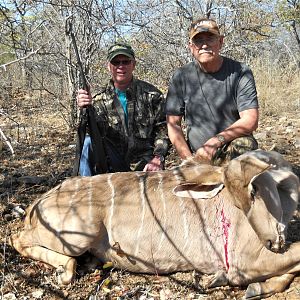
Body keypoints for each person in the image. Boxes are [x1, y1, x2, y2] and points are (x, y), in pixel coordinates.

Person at [165, 18, 259, 165]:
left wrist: (215, 142)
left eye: (210, 39)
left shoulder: (241, 71)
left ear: (220, 42)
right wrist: (189, 160)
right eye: (198, 40)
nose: (204, 45)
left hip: (231, 149)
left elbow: (250, 120)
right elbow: (173, 124)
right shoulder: (180, 76)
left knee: (244, 146)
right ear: (191, 46)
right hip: (198, 157)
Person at [76, 42, 169, 176]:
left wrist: (158, 157)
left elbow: (163, 130)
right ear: (109, 66)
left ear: (134, 64)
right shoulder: (97, 100)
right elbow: (90, 134)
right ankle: (85, 190)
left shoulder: (152, 95)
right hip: (112, 165)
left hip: (145, 165)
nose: (121, 66)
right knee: (87, 143)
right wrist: (84, 109)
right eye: (116, 62)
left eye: (125, 61)